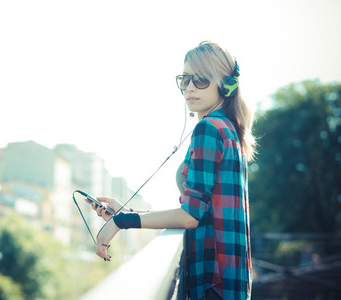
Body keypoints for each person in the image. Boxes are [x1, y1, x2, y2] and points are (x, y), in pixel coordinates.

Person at [88, 41, 256, 300]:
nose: (189, 88)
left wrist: (122, 221)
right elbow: (199, 208)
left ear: (226, 85)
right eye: (185, 79)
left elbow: (190, 216)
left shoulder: (209, 129)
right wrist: (127, 212)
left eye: (200, 80)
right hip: (229, 281)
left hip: (213, 281)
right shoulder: (229, 128)